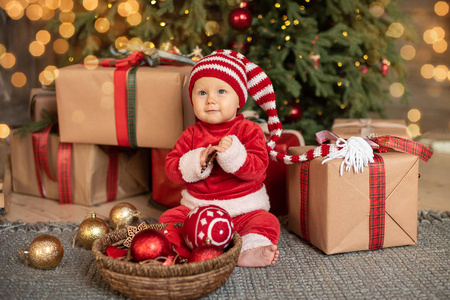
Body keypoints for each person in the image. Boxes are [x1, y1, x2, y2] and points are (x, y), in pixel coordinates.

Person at [159, 49, 287, 267]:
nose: (210, 100)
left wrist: (233, 155)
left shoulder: (249, 130)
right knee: (168, 219)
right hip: (198, 210)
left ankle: (249, 249)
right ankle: (180, 249)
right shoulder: (191, 134)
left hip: (243, 209)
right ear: (191, 99)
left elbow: (258, 168)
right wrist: (197, 160)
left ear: (239, 100)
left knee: (267, 221)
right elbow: (172, 169)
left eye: (221, 91)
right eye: (201, 93)